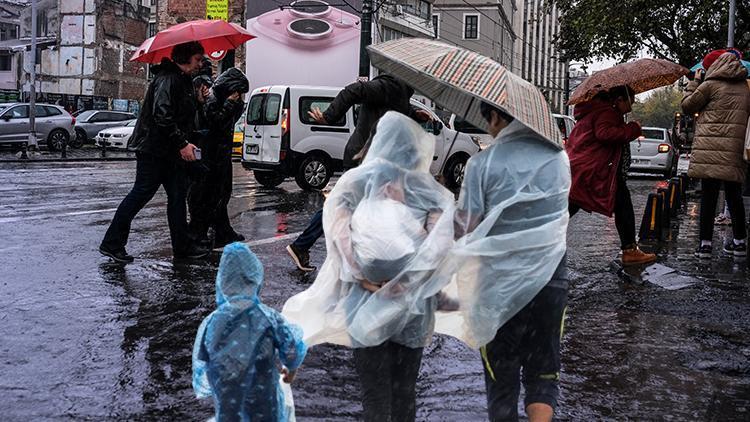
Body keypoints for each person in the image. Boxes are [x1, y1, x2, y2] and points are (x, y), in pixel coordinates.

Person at [283, 112, 457, 421]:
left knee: (374, 392)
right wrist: (403, 283)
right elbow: (438, 247)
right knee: (404, 390)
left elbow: (339, 235)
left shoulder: (355, 182)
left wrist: (363, 277)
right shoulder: (428, 189)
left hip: (363, 304)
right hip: (412, 308)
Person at [429, 102, 570, 422]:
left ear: (497, 117)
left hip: (498, 287)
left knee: (502, 380)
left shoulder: (482, 163)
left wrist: (443, 204)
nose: (488, 127)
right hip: (551, 281)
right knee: (543, 376)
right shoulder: (559, 159)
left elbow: (465, 228)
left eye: (488, 119)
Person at [285, 74, 431, 272]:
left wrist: (415, 113)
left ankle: (305, 247)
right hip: (365, 160)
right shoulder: (389, 86)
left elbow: (391, 112)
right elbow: (353, 90)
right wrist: (329, 116)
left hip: (375, 161)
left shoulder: (399, 92)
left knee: (350, 207)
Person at [99, 41, 208, 263]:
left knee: (177, 198)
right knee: (141, 194)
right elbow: (162, 116)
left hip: (169, 152)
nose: (201, 63)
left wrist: (197, 102)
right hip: (154, 150)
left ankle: (182, 248)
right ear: (186, 58)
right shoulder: (168, 79)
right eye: (198, 59)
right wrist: (182, 144)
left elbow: (181, 115)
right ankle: (112, 243)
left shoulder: (183, 80)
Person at [192, 242, 308, 421]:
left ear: (223, 282)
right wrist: (290, 371)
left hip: (227, 400)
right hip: (264, 401)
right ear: (255, 279)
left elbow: (204, 361)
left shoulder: (212, 322)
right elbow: (291, 347)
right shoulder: (268, 317)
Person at [566, 85, 656, 265]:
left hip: (589, 169)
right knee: (621, 206)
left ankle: (534, 241)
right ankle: (630, 251)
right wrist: (633, 128)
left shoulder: (599, 111)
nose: (632, 105)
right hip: (595, 170)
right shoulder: (607, 112)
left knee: (570, 206)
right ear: (619, 100)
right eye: (630, 101)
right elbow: (605, 134)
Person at [682, 49, 750, 258]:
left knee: (709, 198)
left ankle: (705, 245)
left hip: (709, 151)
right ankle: (739, 242)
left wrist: (694, 82)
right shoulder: (746, 88)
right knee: (734, 196)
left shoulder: (709, 86)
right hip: (734, 151)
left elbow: (687, 106)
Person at [188, 68, 249, 248]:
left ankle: (222, 231)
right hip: (211, 155)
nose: (239, 96)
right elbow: (216, 122)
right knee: (209, 195)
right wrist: (230, 104)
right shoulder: (213, 99)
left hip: (220, 154)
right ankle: (199, 233)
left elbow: (229, 120)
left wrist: (233, 105)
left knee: (221, 194)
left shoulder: (221, 99)